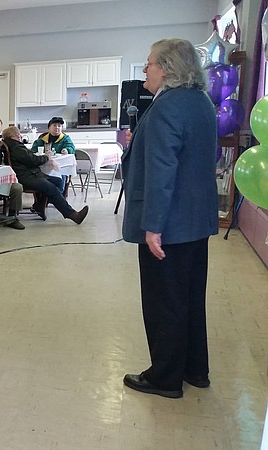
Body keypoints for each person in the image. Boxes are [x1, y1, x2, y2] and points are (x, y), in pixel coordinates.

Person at [121, 38, 218, 399]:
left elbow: (163, 171)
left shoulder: (167, 106)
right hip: (196, 220)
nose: (145, 69)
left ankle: (164, 376)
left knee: (165, 302)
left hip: (170, 224)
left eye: (149, 63)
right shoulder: (201, 103)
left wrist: (154, 227)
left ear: (167, 67)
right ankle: (195, 369)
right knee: (190, 297)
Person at [3, 126, 88, 224]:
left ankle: (40, 204)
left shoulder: (12, 146)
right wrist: (46, 157)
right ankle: (72, 214)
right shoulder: (16, 147)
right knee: (51, 188)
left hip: (29, 173)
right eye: (18, 135)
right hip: (26, 176)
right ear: (13, 136)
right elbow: (33, 160)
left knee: (58, 181)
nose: (20, 136)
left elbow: (29, 158)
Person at [30, 116, 75, 194]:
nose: (57, 128)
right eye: (54, 125)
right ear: (49, 127)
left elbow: (71, 147)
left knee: (61, 179)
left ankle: (56, 195)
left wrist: (67, 150)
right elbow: (34, 150)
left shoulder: (65, 138)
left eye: (59, 126)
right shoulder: (42, 139)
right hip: (43, 167)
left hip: (59, 166)